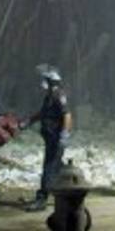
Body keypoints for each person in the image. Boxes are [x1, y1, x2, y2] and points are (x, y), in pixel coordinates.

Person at [23, 64, 72, 211]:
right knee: (57, 167)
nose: (42, 82)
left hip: (56, 139)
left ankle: (41, 199)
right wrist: (29, 121)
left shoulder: (58, 95)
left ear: (50, 81)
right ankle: (70, 189)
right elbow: (43, 113)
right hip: (50, 138)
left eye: (44, 79)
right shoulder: (49, 96)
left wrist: (64, 135)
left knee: (49, 168)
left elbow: (67, 115)